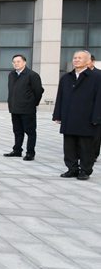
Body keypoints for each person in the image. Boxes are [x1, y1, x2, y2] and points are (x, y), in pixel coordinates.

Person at [53, 50, 101, 180]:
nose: (76, 60)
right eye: (75, 58)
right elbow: (60, 97)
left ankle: (85, 170)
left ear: (88, 61)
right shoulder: (66, 77)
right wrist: (57, 114)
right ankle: (72, 169)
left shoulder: (97, 77)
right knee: (69, 146)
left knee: (86, 147)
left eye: (80, 58)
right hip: (69, 118)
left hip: (87, 118)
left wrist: (97, 117)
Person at [5, 54, 44, 161]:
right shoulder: (11, 74)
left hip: (27, 109)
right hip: (14, 108)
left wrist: (32, 103)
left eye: (18, 61)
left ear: (24, 62)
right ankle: (17, 150)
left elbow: (39, 91)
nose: (16, 64)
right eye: (14, 62)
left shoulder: (32, 75)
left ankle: (30, 153)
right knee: (17, 131)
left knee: (30, 132)